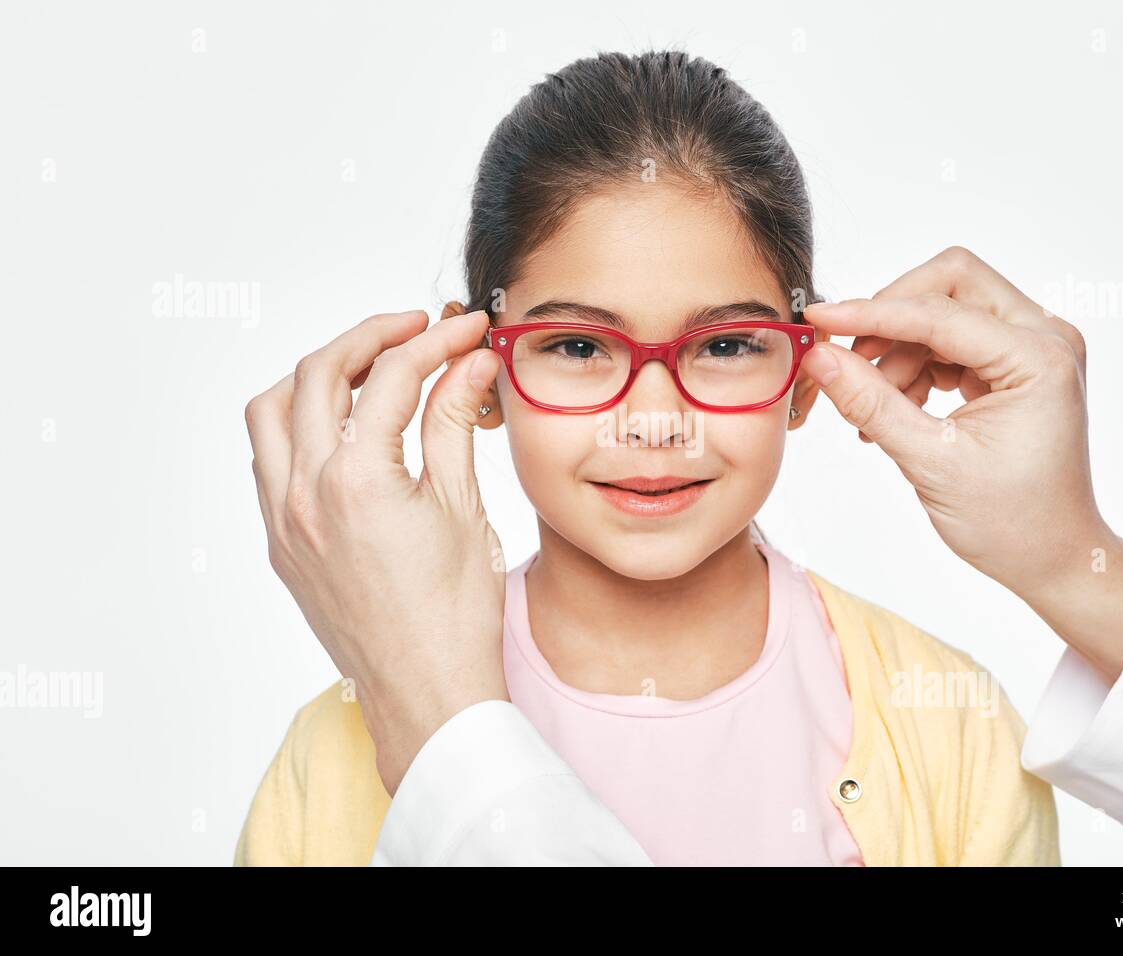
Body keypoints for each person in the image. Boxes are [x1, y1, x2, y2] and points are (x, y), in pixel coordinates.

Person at [234, 50, 1059, 867]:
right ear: (479, 373)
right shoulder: (336, 755)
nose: (657, 421)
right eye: (579, 344)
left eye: (728, 344)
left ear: (805, 372)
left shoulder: (957, 730)